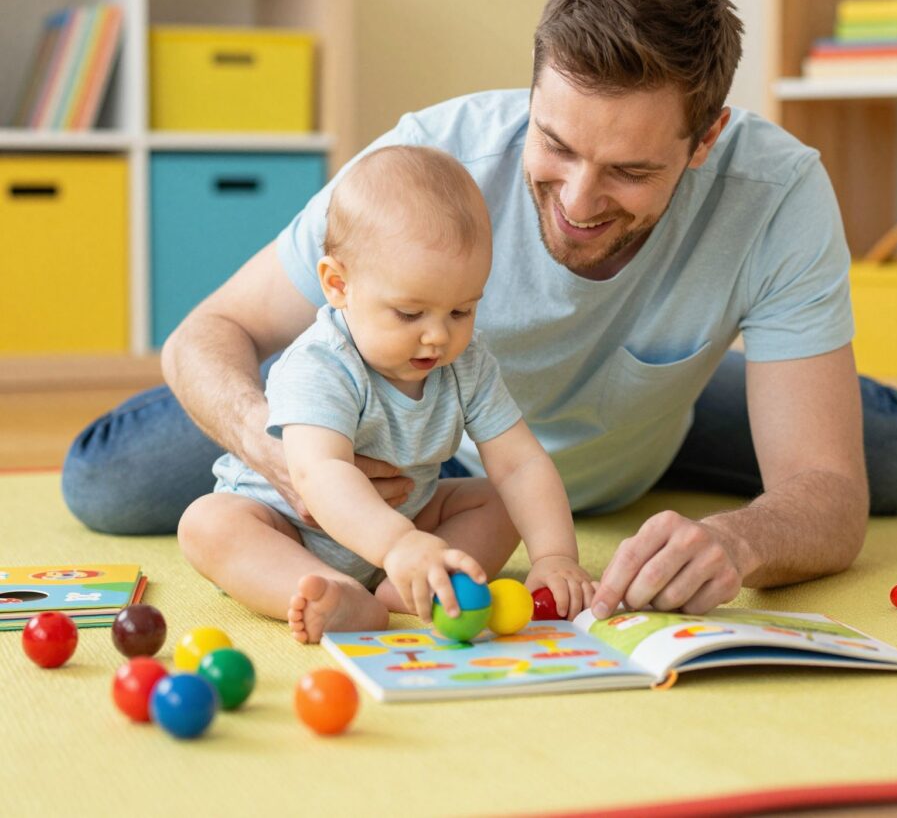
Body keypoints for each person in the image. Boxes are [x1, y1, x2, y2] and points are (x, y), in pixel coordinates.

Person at [63, 0, 897, 620]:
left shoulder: (776, 191)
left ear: (705, 140)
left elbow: (825, 491)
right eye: (555, 147)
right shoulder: (429, 163)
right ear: (533, 95)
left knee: (895, 466)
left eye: (630, 171)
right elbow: (208, 331)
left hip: (641, 410)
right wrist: (282, 450)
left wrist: (737, 542)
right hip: (394, 418)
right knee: (110, 485)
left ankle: (686, 391)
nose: (579, 200)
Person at [178, 145, 593, 642]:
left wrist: (555, 557)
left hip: (408, 524)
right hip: (291, 527)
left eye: (461, 311)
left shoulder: (466, 364)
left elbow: (520, 464)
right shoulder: (322, 363)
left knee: (500, 499)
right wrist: (398, 544)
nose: (438, 336)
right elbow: (320, 472)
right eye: (410, 314)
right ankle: (330, 592)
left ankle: (413, 586)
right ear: (338, 285)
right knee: (208, 523)